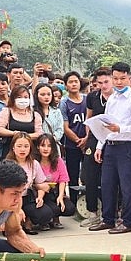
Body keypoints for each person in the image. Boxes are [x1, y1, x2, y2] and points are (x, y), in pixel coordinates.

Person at [89, 62, 131, 234]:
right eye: (115, 78)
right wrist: (100, 145)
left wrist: (120, 129)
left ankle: (127, 222)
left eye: (122, 78)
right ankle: (108, 219)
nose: (119, 82)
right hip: (110, 145)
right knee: (107, 184)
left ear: (129, 78)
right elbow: (106, 123)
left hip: (126, 146)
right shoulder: (112, 97)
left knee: (127, 186)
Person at [80, 68, 112, 227]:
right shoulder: (92, 97)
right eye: (100, 83)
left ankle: (112, 211)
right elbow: (89, 117)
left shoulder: (117, 97)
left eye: (106, 82)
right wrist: (88, 136)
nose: (103, 85)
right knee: (90, 175)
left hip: (113, 138)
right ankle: (92, 212)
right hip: (94, 138)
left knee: (111, 177)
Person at [5, 132, 51, 233]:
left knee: (46, 214)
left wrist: (40, 197)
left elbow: (42, 184)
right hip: (10, 200)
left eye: (26, 146)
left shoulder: (34, 163)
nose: (22, 149)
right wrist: (17, 208)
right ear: (13, 147)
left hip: (27, 197)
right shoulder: (7, 164)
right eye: (19, 146)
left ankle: (28, 219)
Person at [60, 71, 88, 205]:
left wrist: (86, 139)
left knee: (89, 174)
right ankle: (73, 202)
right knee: (73, 174)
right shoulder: (64, 103)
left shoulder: (87, 99)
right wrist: (78, 140)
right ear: (66, 86)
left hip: (88, 143)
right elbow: (65, 127)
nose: (74, 84)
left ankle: (90, 201)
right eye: (70, 82)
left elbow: (91, 120)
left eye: (76, 81)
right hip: (72, 145)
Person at [37, 133, 76, 229]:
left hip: (55, 191)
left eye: (49, 146)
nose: (46, 149)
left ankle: (55, 219)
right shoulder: (35, 161)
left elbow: (63, 180)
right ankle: (44, 221)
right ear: (38, 147)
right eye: (43, 145)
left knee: (69, 208)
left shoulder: (58, 160)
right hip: (39, 192)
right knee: (51, 209)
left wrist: (61, 196)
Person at [0, 85, 43, 155]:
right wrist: (14, 133)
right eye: (19, 97)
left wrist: (24, 137)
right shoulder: (6, 112)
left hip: (30, 152)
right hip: (10, 151)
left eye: (26, 97)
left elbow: (39, 133)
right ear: (13, 98)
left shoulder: (35, 115)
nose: (23, 99)